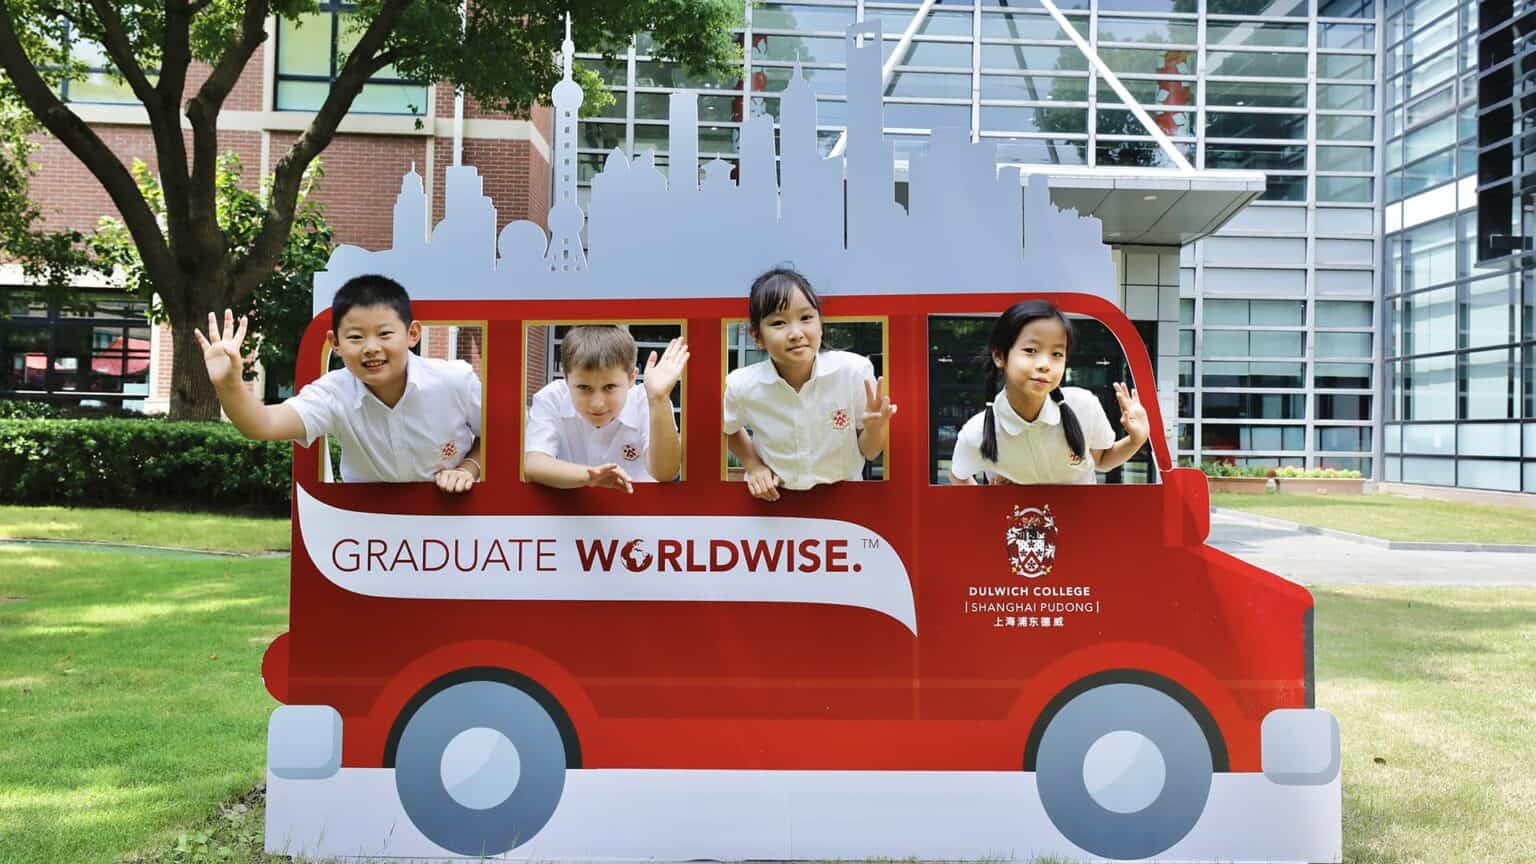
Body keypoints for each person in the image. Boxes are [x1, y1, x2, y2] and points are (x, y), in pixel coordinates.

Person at [196, 274, 483, 493]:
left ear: (412, 334)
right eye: (356, 337)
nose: (371, 348)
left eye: (384, 334)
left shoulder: (454, 381)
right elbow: (261, 425)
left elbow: (503, 438)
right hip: (370, 538)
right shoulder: (333, 393)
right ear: (335, 343)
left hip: (455, 530)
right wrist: (229, 383)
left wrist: (469, 468)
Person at [723, 268, 896, 501]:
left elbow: (870, 450)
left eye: (806, 318)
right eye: (778, 323)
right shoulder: (741, 385)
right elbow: (728, 429)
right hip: (773, 504)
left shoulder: (853, 372)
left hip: (845, 503)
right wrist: (753, 465)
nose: (796, 333)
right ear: (757, 336)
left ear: (820, 325)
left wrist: (876, 427)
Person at [949, 299, 1148, 485]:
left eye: (1057, 354)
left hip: (1081, 522)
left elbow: (1102, 460)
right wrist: (990, 506)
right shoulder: (977, 433)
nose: (1045, 365)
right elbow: (958, 475)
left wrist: (1136, 439)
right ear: (1000, 356)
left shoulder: (1083, 406)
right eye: (1030, 350)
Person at [524, 325, 688, 493]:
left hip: (641, 515)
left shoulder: (648, 398)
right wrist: (591, 477)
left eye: (609, 387)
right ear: (565, 377)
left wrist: (659, 399)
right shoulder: (552, 398)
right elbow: (534, 463)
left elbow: (666, 473)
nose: (597, 403)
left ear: (632, 378)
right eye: (583, 387)